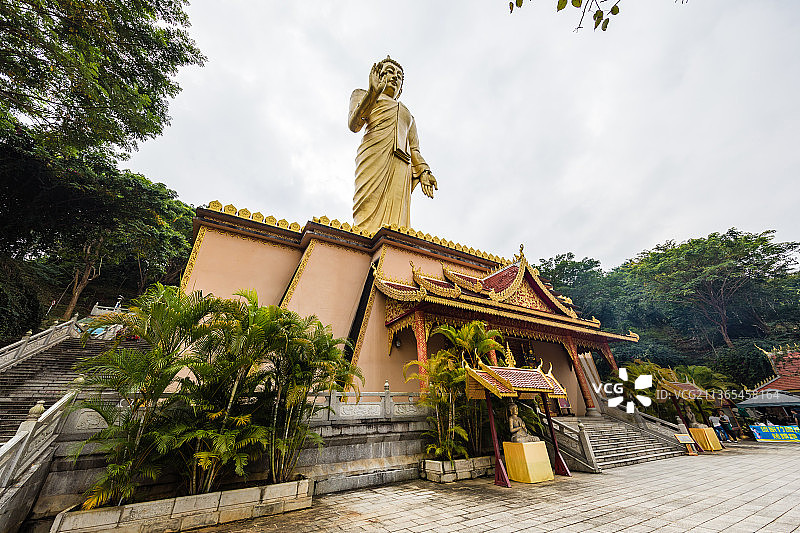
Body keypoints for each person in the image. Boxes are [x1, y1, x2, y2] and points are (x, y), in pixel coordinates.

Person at [348, 56, 438, 234]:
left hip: (401, 165)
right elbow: (354, 124)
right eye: (389, 71)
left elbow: (414, 149)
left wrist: (425, 171)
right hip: (373, 155)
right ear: (378, 75)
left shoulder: (407, 115)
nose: (395, 77)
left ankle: (393, 243)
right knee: (366, 209)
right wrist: (372, 93)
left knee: (397, 224)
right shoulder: (361, 94)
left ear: (401, 89)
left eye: (399, 76)